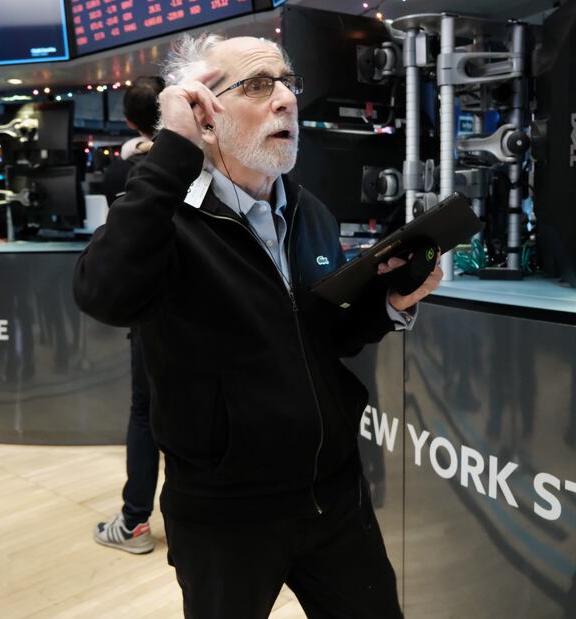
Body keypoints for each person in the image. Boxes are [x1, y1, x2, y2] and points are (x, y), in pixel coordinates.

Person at [73, 34, 441, 618]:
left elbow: (324, 337)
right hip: (225, 514)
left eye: (288, 83)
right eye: (258, 86)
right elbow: (103, 293)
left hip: (334, 495)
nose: (287, 100)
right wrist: (172, 149)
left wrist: (387, 304)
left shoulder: (308, 211)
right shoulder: (165, 215)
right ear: (205, 116)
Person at [92, 76, 166, 554]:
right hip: (199, 306)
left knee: (146, 414)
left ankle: (135, 522)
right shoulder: (205, 163)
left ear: (128, 120)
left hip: (150, 307)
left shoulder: (121, 173)